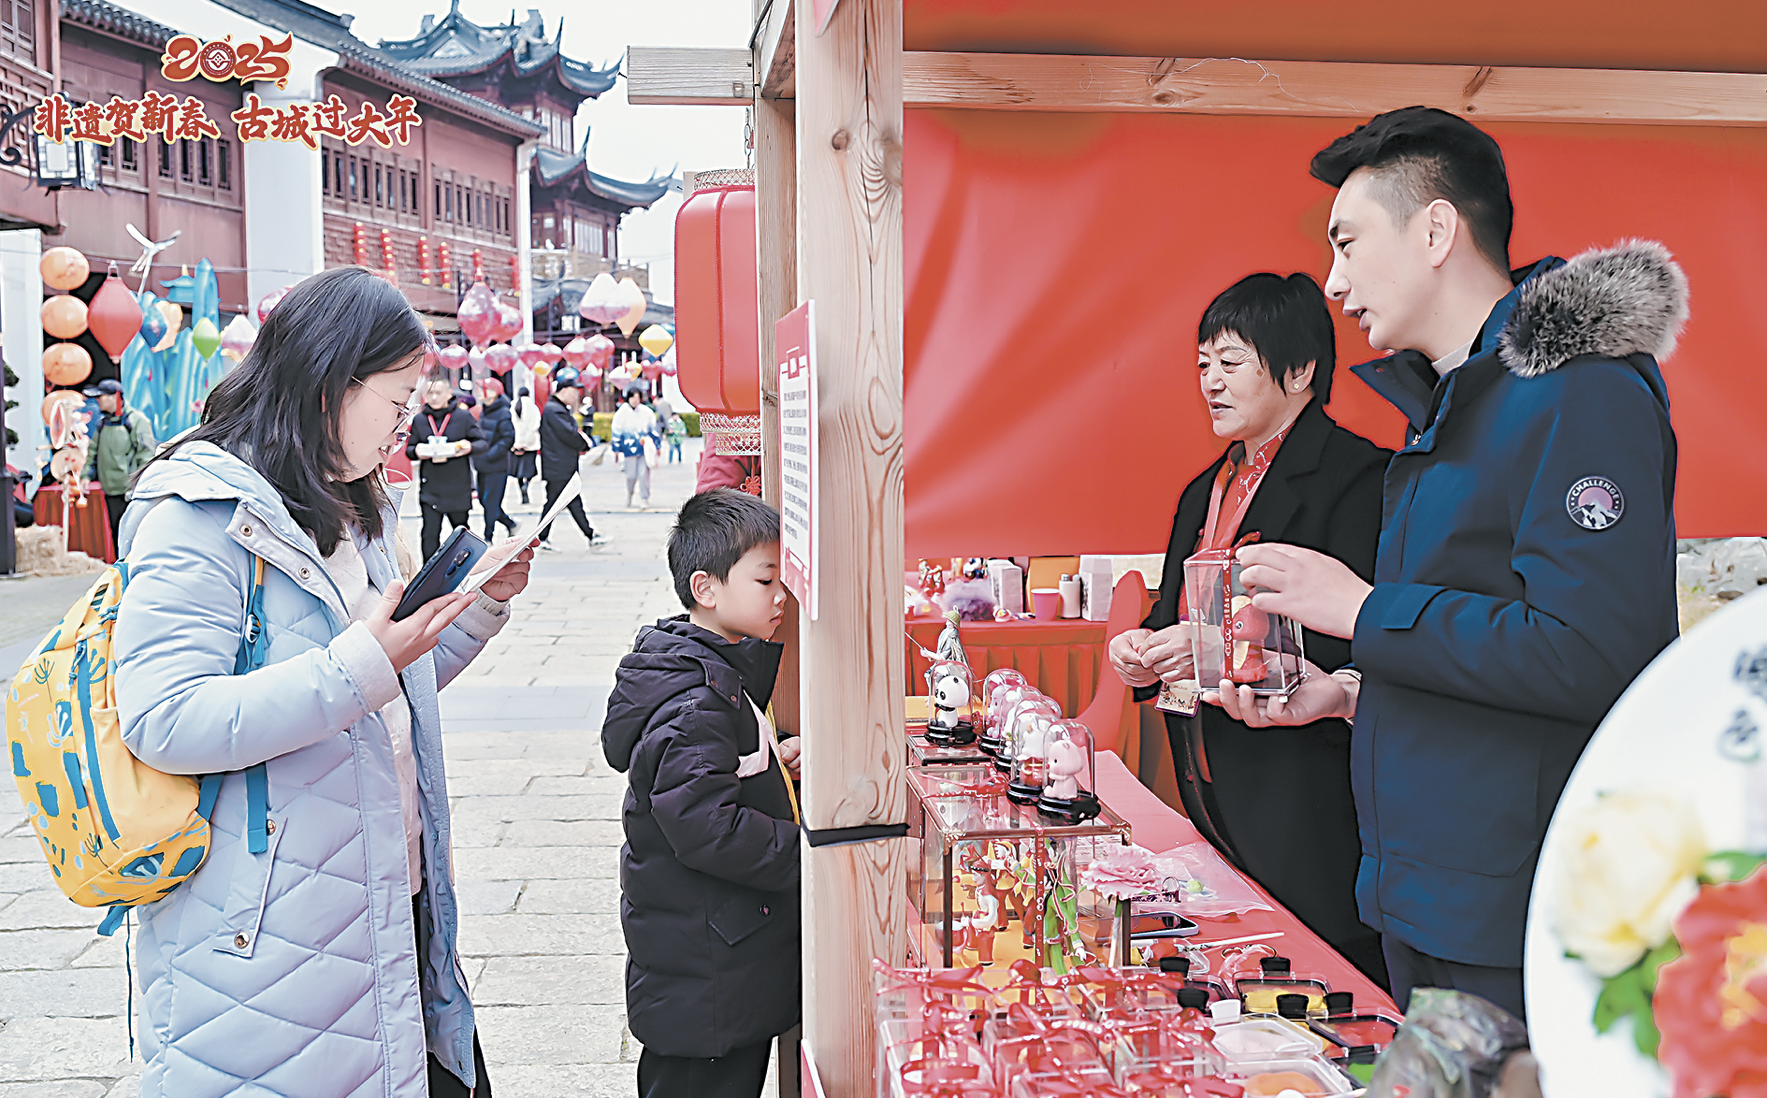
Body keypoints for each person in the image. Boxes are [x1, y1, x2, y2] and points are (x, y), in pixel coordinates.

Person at [1213, 107, 1683, 1020]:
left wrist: (1360, 611)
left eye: (1348, 244)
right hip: (1427, 895)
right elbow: (1480, 631)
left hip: (1514, 909)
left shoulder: (1579, 394)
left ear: (1436, 231)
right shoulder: (1452, 406)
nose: (1335, 282)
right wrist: (1351, 692)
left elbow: (1591, 653)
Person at [110, 265, 533, 1096]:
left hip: (385, 895)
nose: (405, 427)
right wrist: (363, 662)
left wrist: (475, 609)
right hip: (265, 937)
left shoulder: (351, 506)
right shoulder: (199, 515)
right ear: (332, 379)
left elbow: (374, 694)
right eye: (397, 401)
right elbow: (163, 717)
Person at [1107, 273, 1391, 985]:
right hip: (1211, 777)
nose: (1210, 382)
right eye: (1203, 364)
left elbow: (1363, 635)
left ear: (1298, 371)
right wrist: (1143, 649)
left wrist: (1213, 650)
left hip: (1307, 792)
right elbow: (1174, 608)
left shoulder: (1359, 478)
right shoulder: (1204, 488)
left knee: (1324, 981)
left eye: (1231, 363)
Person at [602, 488, 802, 1098]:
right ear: (705, 588)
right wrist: (809, 852)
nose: (780, 597)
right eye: (766, 580)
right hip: (709, 970)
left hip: (707, 954)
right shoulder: (696, 699)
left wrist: (774, 763)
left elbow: (712, 776)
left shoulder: (708, 670)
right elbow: (707, 825)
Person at [406, 378, 486, 560]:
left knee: (461, 534)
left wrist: (469, 446)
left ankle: (466, 569)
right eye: (430, 393)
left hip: (457, 486)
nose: (433, 397)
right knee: (429, 535)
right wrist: (417, 451)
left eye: (438, 393)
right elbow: (410, 450)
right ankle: (427, 575)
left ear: (449, 394)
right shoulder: (420, 419)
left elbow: (481, 443)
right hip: (431, 488)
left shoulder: (462, 417)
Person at [83, 377, 157, 552]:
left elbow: (146, 454)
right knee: (117, 534)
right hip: (110, 491)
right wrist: (85, 476)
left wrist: (139, 484)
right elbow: (92, 452)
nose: (98, 401)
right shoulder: (102, 424)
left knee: (133, 537)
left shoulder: (136, 421)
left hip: (130, 492)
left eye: (101, 396)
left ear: (114, 397)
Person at [537, 368, 601, 550]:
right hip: (559, 467)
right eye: (574, 392)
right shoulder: (554, 410)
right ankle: (589, 535)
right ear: (564, 390)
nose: (576, 396)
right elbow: (569, 435)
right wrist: (584, 444)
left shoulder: (556, 409)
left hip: (560, 466)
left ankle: (544, 538)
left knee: (559, 503)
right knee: (562, 503)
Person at [473, 378, 520, 541]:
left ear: (493, 393)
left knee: (490, 502)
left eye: (483, 389)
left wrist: (490, 454)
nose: (479, 392)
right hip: (481, 464)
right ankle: (510, 523)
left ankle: (488, 536)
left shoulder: (503, 412)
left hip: (496, 465)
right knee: (483, 501)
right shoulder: (484, 410)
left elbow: (508, 438)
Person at [612, 386, 657, 509]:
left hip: (644, 449)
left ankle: (644, 498)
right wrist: (616, 450)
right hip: (628, 449)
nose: (635, 400)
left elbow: (653, 429)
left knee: (644, 475)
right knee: (630, 476)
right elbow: (616, 431)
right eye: (633, 397)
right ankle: (630, 493)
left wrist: (656, 446)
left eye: (637, 397)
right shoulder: (621, 413)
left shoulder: (647, 412)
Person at [511, 385, 542, 503]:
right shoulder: (533, 407)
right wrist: (526, 441)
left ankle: (521, 490)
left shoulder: (512, 406)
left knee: (518, 470)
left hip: (516, 444)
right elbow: (536, 425)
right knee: (530, 468)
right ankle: (527, 485)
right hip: (531, 444)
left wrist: (517, 442)